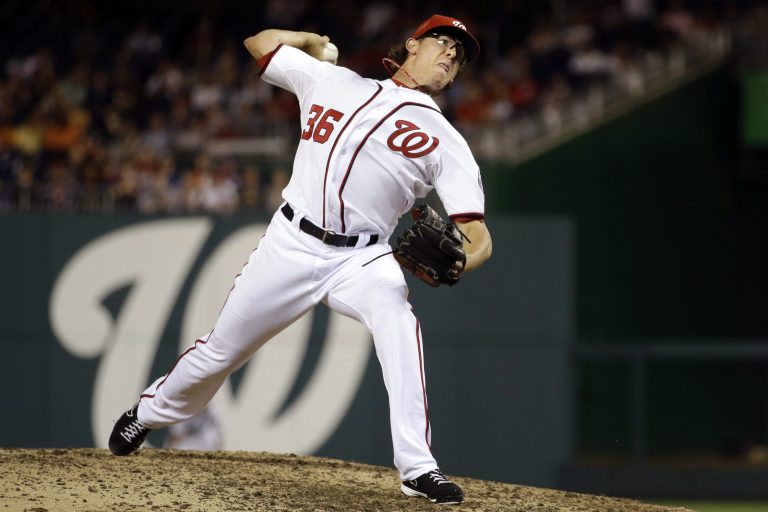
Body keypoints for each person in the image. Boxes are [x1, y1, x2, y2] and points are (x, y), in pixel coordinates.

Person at [109, 14, 492, 505]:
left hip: (364, 257)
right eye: (442, 43)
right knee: (219, 353)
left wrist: (464, 262)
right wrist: (310, 40)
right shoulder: (331, 79)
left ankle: (418, 468)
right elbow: (258, 42)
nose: (449, 57)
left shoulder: (445, 139)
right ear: (411, 45)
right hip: (291, 243)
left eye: (458, 58)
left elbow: (478, 236)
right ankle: (149, 411)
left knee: (398, 321)